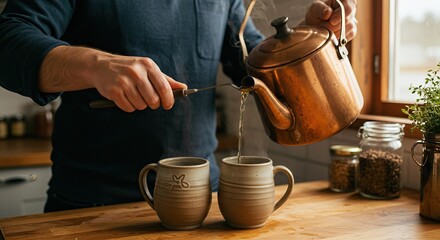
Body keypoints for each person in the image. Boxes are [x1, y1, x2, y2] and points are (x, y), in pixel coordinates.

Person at [0, 0, 357, 212]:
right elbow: (8, 39)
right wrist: (95, 64)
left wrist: (302, 40)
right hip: (92, 204)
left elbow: (253, 65)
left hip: (204, 203)